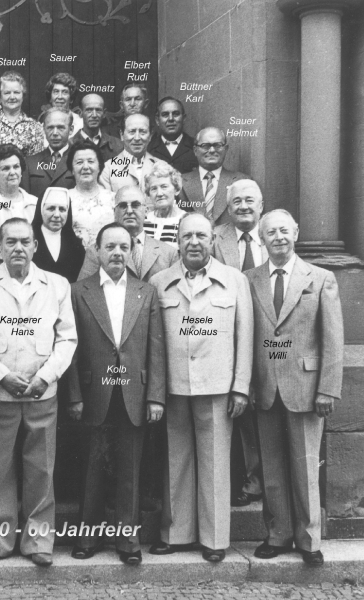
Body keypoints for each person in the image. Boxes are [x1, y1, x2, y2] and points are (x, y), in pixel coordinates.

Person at [0, 218, 77, 567]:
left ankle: (38, 540)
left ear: (35, 246)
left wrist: (45, 377)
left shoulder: (56, 285)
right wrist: (1, 376)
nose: (18, 248)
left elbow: (67, 338)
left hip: (42, 393)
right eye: (10, 242)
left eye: (24, 242)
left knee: (41, 468)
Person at [149, 212, 253, 563]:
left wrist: (241, 387)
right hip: (175, 385)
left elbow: (245, 336)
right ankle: (177, 533)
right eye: (187, 236)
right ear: (177, 241)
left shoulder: (234, 280)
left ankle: (214, 538)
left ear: (213, 240)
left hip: (218, 385)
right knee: (176, 460)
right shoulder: (160, 281)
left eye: (201, 236)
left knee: (215, 462)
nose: (194, 242)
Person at [246, 210, 343, 566]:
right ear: (262, 239)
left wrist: (327, 389)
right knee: (272, 468)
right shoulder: (249, 280)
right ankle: (278, 534)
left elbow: (332, 338)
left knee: (305, 467)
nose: (279, 237)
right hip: (265, 387)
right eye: (271, 232)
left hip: (305, 387)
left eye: (284, 231)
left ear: (296, 232)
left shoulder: (320, 278)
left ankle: (309, 539)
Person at [68, 222, 166, 565]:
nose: (117, 253)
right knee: (91, 469)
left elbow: (156, 347)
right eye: (110, 246)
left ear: (132, 252)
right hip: (94, 392)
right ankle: (87, 537)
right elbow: (71, 348)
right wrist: (74, 396)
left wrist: (155, 396)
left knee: (130, 471)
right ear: (97, 251)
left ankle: (128, 540)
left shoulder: (146, 292)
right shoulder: (78, 291)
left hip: (133, 392)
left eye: (124, 247)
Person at [213, 179, 267, 508]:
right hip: (228, 338)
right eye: (237, 202)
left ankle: (266, 478)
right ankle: (244, 480)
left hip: (272, 339)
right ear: (228, 207)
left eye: (250, 200)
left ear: (261, 205)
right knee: (237, 409)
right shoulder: (214, 237)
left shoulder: (274, 234)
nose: (243, 206)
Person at [78, 186, 179, 282]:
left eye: (135, 205)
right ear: (114, 212)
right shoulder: (96, 251)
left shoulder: (169, 254)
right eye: (123, 206)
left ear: (146, 211)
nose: (129, 211)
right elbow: (84, 289)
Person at [178, 127, 250, 225]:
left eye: (217, 145)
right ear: (195, 150)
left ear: (226, 149)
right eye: (205, 146)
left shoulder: (242, 181)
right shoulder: (179, 182)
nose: (212, 150)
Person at [99, 114, 168, 197]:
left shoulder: (162, 166)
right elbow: (106, 203)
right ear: (121, 134)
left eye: (142, 132)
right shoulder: (108, 169)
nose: (137, 138)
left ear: (150, 136)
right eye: (132, 132)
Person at [66, 141, 116, 249]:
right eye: (79, 162)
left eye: (91, 161)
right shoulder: (64, 199)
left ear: (99, 167)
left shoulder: (113, 199)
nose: (85, 167)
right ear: (72, 169)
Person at [31, 187, 85, 283]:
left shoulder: (76, 245)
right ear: (41, 210)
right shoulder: (28, 241)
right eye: (51, 208)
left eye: (62, 209)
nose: (57, 214)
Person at [0, 71, 45, 157]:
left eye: (16, 92)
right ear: (0, 96)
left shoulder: (35, 127)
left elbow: (37, 161)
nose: (12, 97)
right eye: (7, 93)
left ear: (23, 96)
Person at [23, 108, 76, 199]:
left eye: (60, 128)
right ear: (44, 129)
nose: (55, 133)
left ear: (71, 130)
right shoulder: (30, 163)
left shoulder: (78, 161)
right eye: (50, 128)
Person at [147, 97, 196, 174]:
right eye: (165, 115)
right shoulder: (148, 149)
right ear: (157, 120)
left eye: (176, 114)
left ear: (183, 118)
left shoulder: (196, 147)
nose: (170, 119)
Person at [70, 94, 123, 163]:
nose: (94, 115)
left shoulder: (117, 145)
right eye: (89, 110)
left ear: (104, 113)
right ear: (80, 113)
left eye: (98, 110)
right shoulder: (69, 146)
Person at [143, 164, 186, 246]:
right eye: (154, 189)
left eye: (164, 187)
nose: (159, 193)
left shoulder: (186, 221)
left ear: (176, 190)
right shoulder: (144, 221)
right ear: (149, 194)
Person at [38, 73, 83, 138]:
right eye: (56, 91)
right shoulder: (42, 127)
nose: (60, 97)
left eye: (65, 92)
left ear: (71, 99)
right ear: (50, 98)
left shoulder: (81, 124)